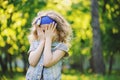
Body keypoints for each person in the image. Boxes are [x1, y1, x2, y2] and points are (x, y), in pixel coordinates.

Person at [26, 10, 72, 80]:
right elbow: (32, 62)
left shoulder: (61, 47)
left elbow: (47, 62)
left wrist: (48, 39)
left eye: (49, 30)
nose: (46, 34)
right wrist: (42, 42)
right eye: (43, 31)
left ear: (59, 31)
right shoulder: (35, 44)